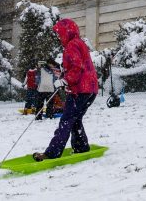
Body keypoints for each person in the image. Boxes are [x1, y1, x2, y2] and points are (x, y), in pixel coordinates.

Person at [33, 19, 98, 161]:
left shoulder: (71, 45)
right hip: (91, 89)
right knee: (75, 119)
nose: (58, 37)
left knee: (66, 120)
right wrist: (64, 72)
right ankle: (81, 147)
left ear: (66, 32)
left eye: (59, 33)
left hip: (80, 89)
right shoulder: (79, 43)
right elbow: (79, 65)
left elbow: (77, 67)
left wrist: (65, 80)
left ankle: (52, 153)